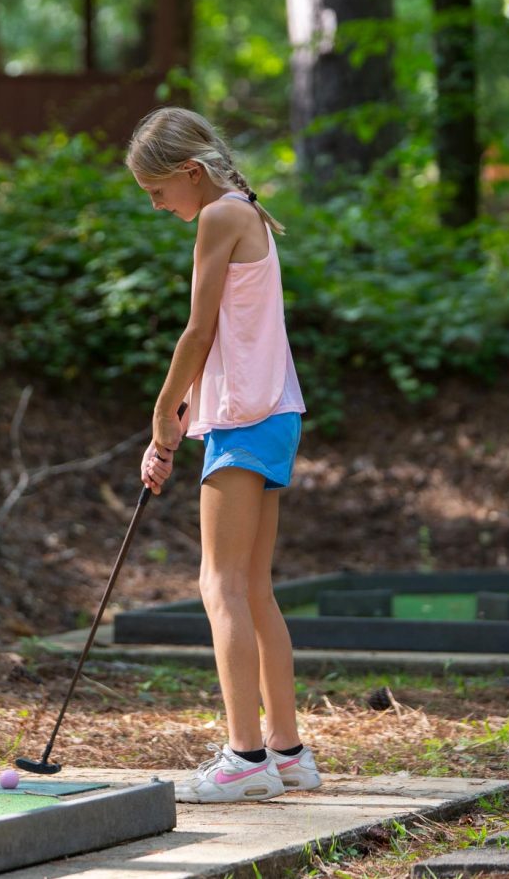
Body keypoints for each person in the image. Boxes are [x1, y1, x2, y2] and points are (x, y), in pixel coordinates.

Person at [127, 107, 321, 804]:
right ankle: (288, 753)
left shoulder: (218, 216)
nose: (157, 206)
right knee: (253, 587)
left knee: (220, 585)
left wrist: (161, 414)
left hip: (245, 419)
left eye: (157, 191)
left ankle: (245, 757)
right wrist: (184, 413)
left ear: (190, 172)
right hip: (272, 414)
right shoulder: (246, 210)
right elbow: (230, 338)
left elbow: (198, 332)